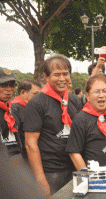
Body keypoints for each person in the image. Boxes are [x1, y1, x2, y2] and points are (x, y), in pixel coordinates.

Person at [24, 54, 82, 196]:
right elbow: (30, 144)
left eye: (65, 74)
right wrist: (40, 178)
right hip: (51, 172)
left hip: (75, 168)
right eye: (57, 74)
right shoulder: (36, 103)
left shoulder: (75, 101)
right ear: (46, 76)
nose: (62, 79)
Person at [65, 74, 106, 173]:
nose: (101, 95)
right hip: (96, 181)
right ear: (87, 96)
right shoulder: (80, 120)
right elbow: (74, 153)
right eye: (96, 92)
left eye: (105, 91)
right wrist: (88, 179)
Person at [11, 79, 42, 159]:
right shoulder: (14, 108)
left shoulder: (31, 108)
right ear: (23, 92)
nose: (38, 98)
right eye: (35, 94)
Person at [0, 67, 22, 157]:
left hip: (15, 160)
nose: (9, 89)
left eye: (12, 85)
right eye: (4, 85)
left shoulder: (11, 109)